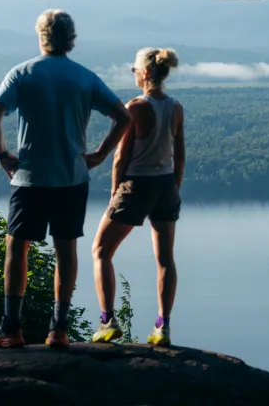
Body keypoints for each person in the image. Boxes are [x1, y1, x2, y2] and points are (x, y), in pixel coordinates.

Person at [0, 9, 131, 348]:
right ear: (71, 39)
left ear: (41, 37)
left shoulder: (23, 73)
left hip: (30, 178)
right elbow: (123, 117)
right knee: (66, 251)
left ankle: (11, 327)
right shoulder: (84, 77)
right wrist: (100, 155)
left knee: (17, 248)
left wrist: (4, 155)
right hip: (72, 178)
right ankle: (59, 331)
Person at [90, 47, 185, 346]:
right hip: (166, 184)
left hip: (136, 186)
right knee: (165, 259)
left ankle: (107, 321)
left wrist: (115, 194)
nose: (133, 74)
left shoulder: (136, 107)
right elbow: (179, 155)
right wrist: (174, 189)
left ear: (144, 73)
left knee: (101, 251)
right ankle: (163, 327)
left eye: (134, 70)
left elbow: (121, 157)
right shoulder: (175, 107)